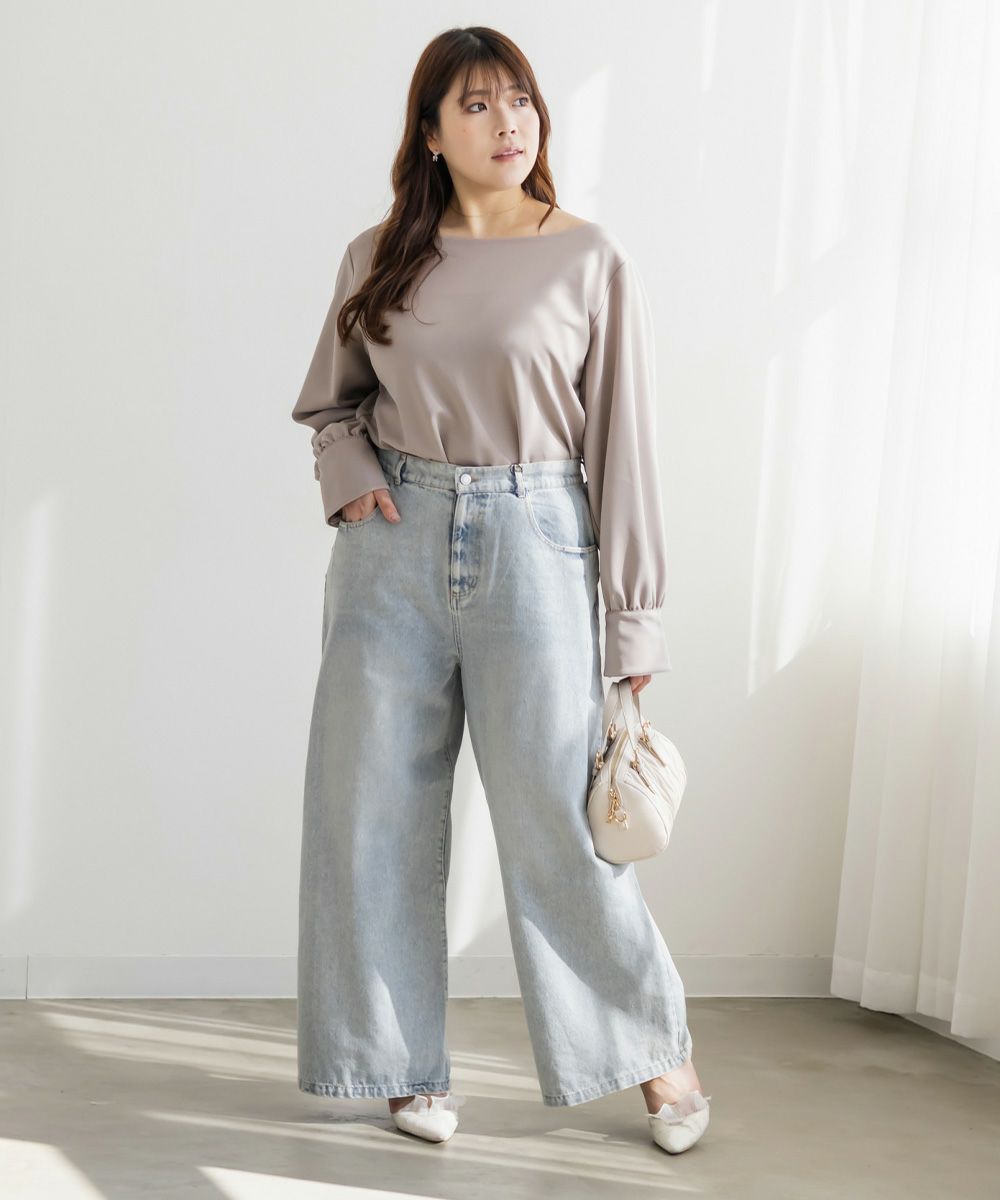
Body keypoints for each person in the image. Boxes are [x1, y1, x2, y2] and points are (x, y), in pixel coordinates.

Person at [290, 26, 711, 1155]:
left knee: (558, 822)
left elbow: (624, 448)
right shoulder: (378, 255)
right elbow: (331, 404)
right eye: (475, 106)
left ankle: (656, 1059)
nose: (506, 122)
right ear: (430, 134)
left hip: (539, 539)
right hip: (391, 548)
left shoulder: (587, 258)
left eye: (517, 99)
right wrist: (350, 475)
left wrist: (634, 618)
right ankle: (398, 1068)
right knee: (368, 810)